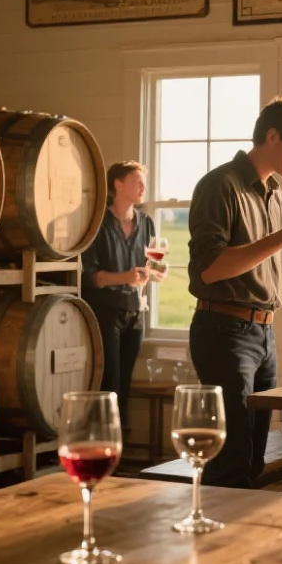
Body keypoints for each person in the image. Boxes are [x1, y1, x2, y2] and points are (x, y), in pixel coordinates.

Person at [188, 96, 282, 488]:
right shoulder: (220, 185)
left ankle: (245, 543)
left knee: (254, 459)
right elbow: (209, 270)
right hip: (223, 331)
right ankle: (215, 543)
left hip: (263, 332)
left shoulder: (274, 192)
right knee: (230, 460)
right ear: (271, 135)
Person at [82, 161, 165, 425]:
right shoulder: (98, 224)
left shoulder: (147, 223)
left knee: (125, 387)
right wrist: (126, 277)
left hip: (136, 313)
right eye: (137, 181)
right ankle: (104, 444)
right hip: (106, 313)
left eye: (144, 182)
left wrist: (153, 273)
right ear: (118, 184)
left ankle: (118, 447)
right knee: (110, 385)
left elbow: (151, 265)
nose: (143, 187)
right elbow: (89, 277)